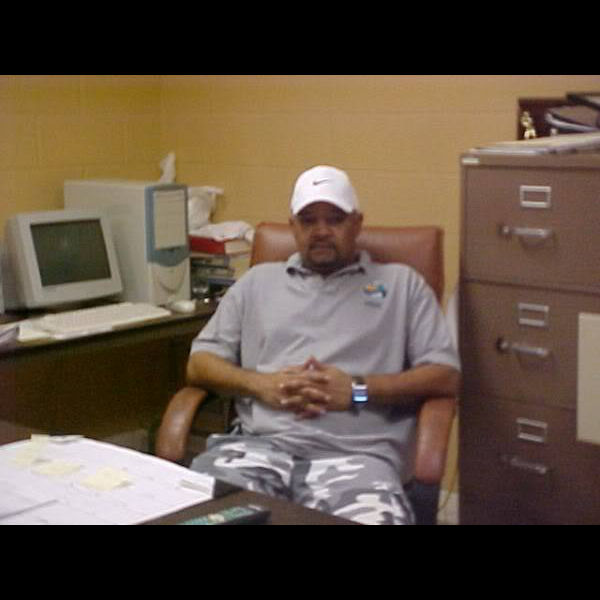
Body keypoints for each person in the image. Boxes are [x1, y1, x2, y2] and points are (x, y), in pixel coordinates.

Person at [187, 165, 460, 525]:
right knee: (194, 517)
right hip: (256, 451)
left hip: (357, 461)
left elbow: (445, 376)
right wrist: (260, 384)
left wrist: (357, 390)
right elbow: (199, 363)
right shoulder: (256, 283)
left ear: (357, 224)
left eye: (335, 219)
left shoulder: (400, 285)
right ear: (292, 226)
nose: (321, 231)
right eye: (308, 220)